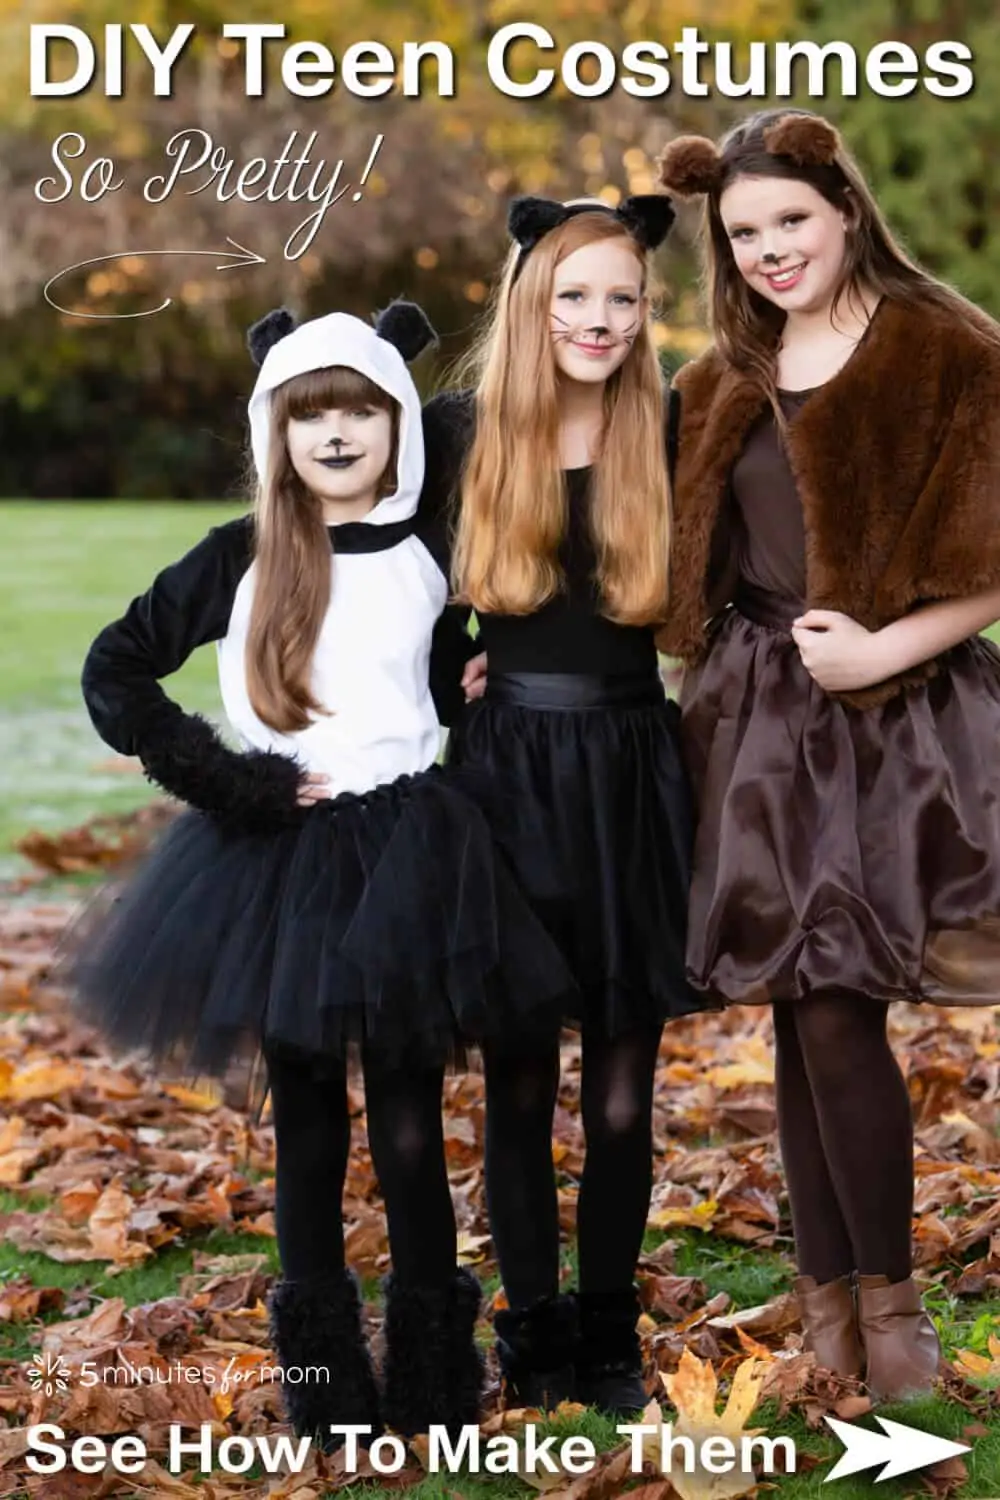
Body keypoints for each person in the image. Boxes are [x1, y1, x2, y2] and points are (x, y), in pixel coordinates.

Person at [72, 301, 575, 1445]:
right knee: (306, 1126)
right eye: (311, 416)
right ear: (275, 433)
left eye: (359, 408)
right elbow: (118, 669)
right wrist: (221, 776)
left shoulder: (429, 554)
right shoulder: (241, 557)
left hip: (410, 857)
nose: (337, 433)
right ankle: (322, 1388)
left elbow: (423, 684)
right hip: (278, 861)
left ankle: (432, 1380)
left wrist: (467, 682)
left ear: (396, 420)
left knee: (407, 1123)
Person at [656, 108, 1000, 1401]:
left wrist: (881, 648)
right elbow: (663, 557)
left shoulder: (949, 350)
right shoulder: (719, 379)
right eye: (743, 233)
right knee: (802, 1017)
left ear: (845, 208)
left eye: (789, 219)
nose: (769, 249)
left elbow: (992, 555)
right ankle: (828, 1303)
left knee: (844, 1004)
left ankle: (891, 1303)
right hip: (757, 725)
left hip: (891, 718)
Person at [423, 194, 709, 1415]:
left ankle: (608, 1329)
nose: (599, 320)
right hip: (506, 778)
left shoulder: (671, 425)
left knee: (624, 1084)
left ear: (648, 313)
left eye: (623, 298)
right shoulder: (462, 433)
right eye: (574, 295)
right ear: (530, 302)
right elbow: (406, 608)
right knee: (521, 1079)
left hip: (633, 773)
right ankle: (531, 1328)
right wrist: (451, 676)